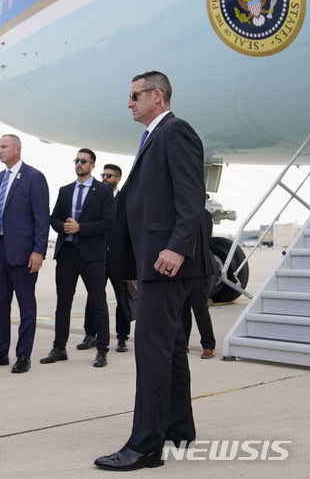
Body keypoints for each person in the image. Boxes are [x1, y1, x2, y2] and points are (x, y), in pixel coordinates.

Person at [95, 71, 209, 471]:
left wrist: (177, 248)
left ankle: (145, 446)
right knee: (172, 349)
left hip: (168, 262)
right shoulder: (153, 137)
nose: (129, 103)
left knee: (152, 351)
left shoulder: (175, 132)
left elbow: (192, 195)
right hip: (156, 262)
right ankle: (178, 429)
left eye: (134, 96)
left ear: (156, 96)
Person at [0, 134, 49, 373]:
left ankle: (23, 355)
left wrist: (38, 251)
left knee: (26, 306)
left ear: (17, 149)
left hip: (23, 253)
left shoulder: (34, 177)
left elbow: (41, 219)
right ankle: (0, 352)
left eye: (4, 146)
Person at [41, 148, 114, 368]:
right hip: (67, 254)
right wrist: (63, 227)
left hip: (92, 255)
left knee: (98, 302)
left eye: (83, 161)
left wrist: (81, 228)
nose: (79, 164)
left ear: (92, 165)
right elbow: (53, 218)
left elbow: (108, 222)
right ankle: (59, 347)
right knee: (63, 303)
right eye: (77, 160)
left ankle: (102, 350)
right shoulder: (65, 191)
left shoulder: (103, 191)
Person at [81, 163, 136, 353]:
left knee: (122, 299)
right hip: (97, 255)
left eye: (109, 176)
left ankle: (122, 337)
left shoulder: (125, 200)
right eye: (103, 175)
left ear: (118, 179)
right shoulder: (96, 197)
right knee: (93, 297)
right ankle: (90, 334)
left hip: (118, 258)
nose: (105, 178)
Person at [182, 208, 216, 359]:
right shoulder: (179, 211)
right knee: (182, 308)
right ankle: (183, 343)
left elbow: (203, 240)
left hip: (197, 267)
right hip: (181, 267)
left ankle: (208, 345)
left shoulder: (204, 214)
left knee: (199, 307)